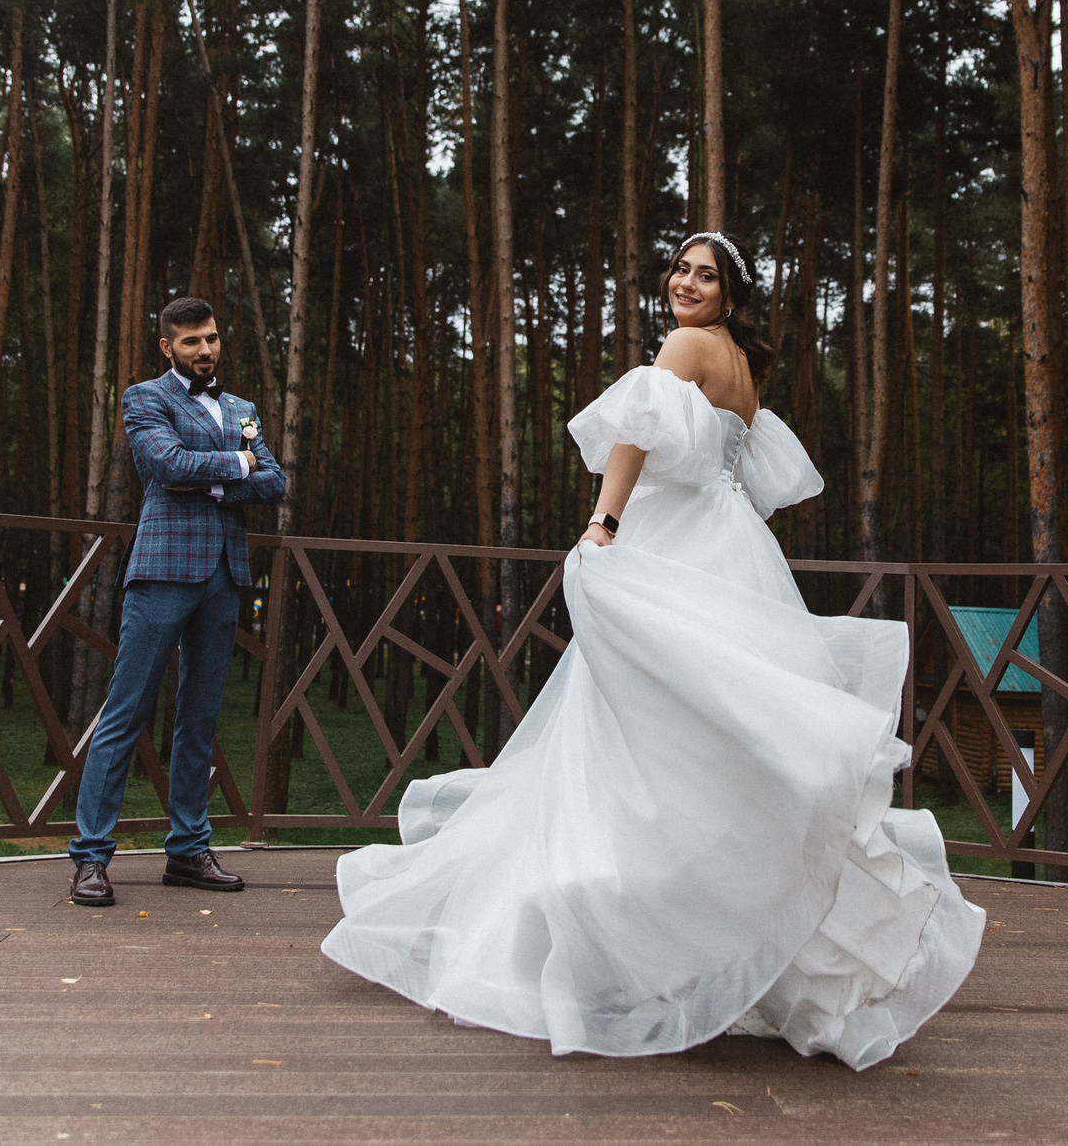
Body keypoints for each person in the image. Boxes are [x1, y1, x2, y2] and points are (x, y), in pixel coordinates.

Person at [322, 233, 984, 1069]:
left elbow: (634, 435)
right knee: (712, 740)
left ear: (731, 295)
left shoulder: (683, 346)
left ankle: (636, 944)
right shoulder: (744, 367)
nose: (687, 283)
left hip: (676, 546)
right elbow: (738, 473)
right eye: (680, 269)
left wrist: (604, 524)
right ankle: (713, 934)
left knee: (644, 735)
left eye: (706, 276)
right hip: (733, 547)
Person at [67, 295, 286, 908]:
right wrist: (238, 466)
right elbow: (163, 466)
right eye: (191, 342)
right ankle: (90, 858)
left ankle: (188, 850)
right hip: (163, 571)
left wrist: (217, 472)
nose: (205, 350)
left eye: (211, 338)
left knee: (200, 719)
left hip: (225, 576)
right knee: (126, 710)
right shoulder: (144, 397)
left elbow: (275, 481)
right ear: (168, 347)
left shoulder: (240, 408)